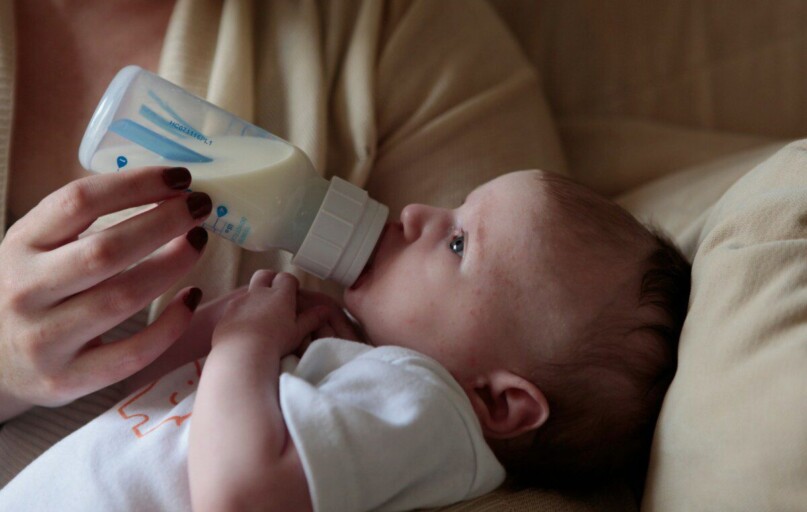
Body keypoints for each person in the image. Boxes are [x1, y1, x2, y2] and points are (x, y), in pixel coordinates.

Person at [0, 170, 691, 511]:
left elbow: (235, 494)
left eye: (455, 242)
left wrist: (247, 343)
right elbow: (156, 405)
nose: (417, 212)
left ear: (498, 402)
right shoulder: (364, 376)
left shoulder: (425, 407)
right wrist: (233, 330)